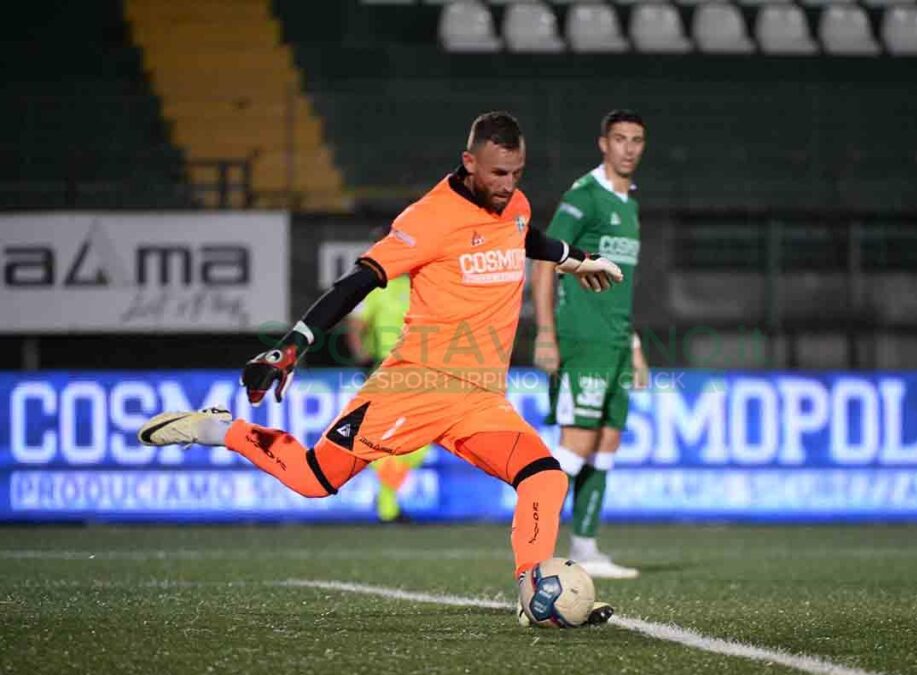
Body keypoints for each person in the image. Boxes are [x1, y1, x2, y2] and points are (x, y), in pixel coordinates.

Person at [137, 111, 623, 625]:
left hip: (480, 399)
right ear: (468, 162)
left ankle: (531, 592)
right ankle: (221, 428)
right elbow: (358, 281)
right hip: (414, 386)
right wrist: (292, 344)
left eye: (517, 173)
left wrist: (575, 257)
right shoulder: (429, 218)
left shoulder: (514, 205)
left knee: (545, 478)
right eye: (498, 174)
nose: (508, 186)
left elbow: (524, 237)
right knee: (313, 479)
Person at [531, 110, 647, 580]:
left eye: (637, 140)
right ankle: (533, 539)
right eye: (620, 139)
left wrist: (634, 344)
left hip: (617, 342)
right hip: (582, 339)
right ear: (603, 143)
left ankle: (585, 548)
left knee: (606, 444)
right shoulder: (585, 196)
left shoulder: (629, 203)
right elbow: (543, 259)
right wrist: (544, 332)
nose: (629, 148)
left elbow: (621, 285)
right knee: (575, 447)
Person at [345, 271, 429, 523]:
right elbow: (356, 325)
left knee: (419, 440)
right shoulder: (378, 286)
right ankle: (387, 505)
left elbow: (355, 325)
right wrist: (363, 357)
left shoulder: (421, 283)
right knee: (398, 437)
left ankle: (386, 499)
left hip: (421, 371)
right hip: (390, 370)